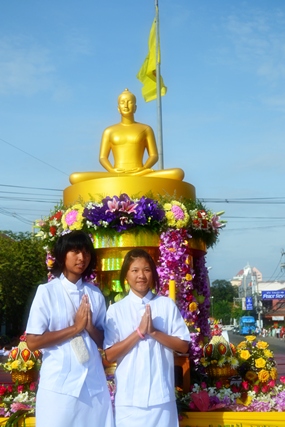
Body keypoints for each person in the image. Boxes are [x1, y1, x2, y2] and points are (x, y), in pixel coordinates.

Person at [26, 230, 114, 427]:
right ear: (61, 255)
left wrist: (89, 327)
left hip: (92, 384)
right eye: (75, 251)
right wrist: (75, 328)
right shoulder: (47, 292)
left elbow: (104, 342)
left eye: (86, 253)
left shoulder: (95, 294)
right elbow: (32, 341)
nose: (81, 258)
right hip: (59, 384)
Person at [103, 248, 190, 427]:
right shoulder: (116, 310)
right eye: (135, 270)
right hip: (129, 400)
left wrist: (154, 332)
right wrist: (139, 333)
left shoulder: (166, 305)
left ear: (153, 274)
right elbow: (110, 355)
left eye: (146, 270)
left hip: (162, 398)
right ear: (126, 276)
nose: (141, 275)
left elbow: (183, 346)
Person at [69, 89, 184, 184]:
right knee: (75, 177)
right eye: (122, 102)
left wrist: (143, 168)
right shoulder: (109, 131)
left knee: (178, 173)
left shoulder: (145, 129)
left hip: (141, 172)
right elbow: (103, 157)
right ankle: (125, 175)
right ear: (118, 108)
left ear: (135, 107)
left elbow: (153, 155)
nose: (126, 105)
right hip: (116, 173)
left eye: (129, 102)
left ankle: (136, 174)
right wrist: (112, 171)